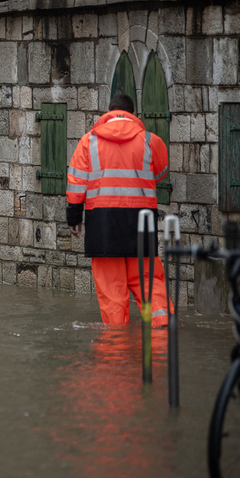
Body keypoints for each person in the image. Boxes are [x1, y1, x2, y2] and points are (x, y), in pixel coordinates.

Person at [66, 93, 172, 325]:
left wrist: (74, 218)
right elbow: (161, 173)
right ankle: (163, 334)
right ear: (134, 114)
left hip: (103, 227)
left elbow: (75, 185)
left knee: (112, 293)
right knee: (149, 281)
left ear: (108, 113)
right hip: (141, 224)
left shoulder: (88, 141)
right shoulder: (150, 141)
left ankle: (116, 347)